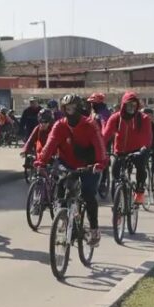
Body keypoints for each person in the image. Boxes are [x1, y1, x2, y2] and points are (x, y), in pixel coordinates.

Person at [35, 94, 107, 246]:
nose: (71, 111)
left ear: (79, 108)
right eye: (67, 109)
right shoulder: (59, 125)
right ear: (63, 109)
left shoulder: (90, 124)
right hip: (67, 163)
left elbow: (100, 145)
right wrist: (41, 162)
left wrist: (100, 163)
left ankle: (94, 230)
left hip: (89, 165)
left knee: (88, 195)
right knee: (61, 184)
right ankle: (63, 217)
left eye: (74, 108)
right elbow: (50, 145)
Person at [102, 91, 153, 205]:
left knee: (141, 168)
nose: (131, 107)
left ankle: (139, 192)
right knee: (115, 173)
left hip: (138, 150)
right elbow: (105, 135)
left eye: (134, 105)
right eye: (129, 104)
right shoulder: (115, 118)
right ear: (123, 105)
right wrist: (99, 148)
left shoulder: (143, 118)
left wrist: (144, 148)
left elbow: (148, 136)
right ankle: (117, 204)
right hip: (120, 151)